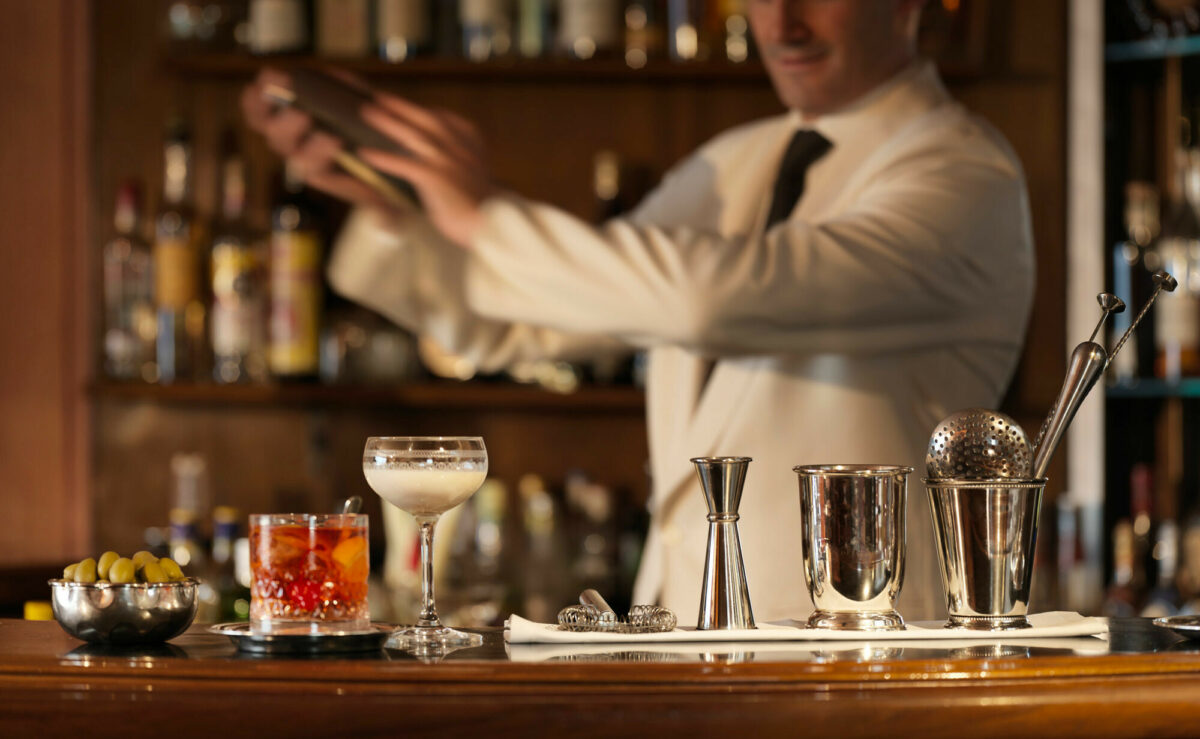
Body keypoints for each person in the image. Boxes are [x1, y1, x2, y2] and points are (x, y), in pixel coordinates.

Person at [243, 0, 1034, 622]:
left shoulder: (963, 175)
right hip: (684, 631)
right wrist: (392, 203)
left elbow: (708, 297)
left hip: (859, 654)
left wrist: (482, 214)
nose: (783, 22)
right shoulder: (733, 162)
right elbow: (525, 325)